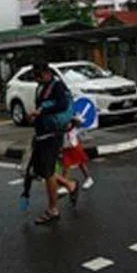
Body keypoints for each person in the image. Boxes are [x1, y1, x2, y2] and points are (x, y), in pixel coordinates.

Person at [27, 62, 79, 224]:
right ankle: (70, 185)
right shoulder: (41, 87)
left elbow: (62, 104)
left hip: (52, 134)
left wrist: (42, 111)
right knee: (41, 170)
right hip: (42, 133)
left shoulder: (56, 86)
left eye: (39, 75)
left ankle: (52, 209)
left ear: (47, 73)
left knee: (48, 172)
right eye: (35, 76)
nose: (37, 79)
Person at [58, 117, 94, 195]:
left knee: (81, 164)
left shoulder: (75, 130)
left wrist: (71, 116)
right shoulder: (61, 132)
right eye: (65, 124)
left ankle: (88, 178)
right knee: (65, 167)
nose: (67, 126)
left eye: (68, 124)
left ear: (72, 124)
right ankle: (65, 185)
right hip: (66, 151)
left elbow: (79, 122)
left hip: (75, 149)